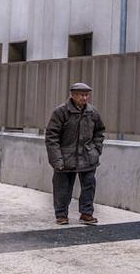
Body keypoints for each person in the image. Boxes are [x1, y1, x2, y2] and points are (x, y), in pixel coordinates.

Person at [45, 82, 106, 225]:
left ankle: (86, 214)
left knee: (89, 186)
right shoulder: (60, 112)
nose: (84, 98)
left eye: (87, 95)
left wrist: (96, 150)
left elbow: (99, 132)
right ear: (72, 95)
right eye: (81, 95)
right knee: (62, 188)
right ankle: (61, 215)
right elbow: (51, 137)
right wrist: (57, 160)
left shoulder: (92, 112)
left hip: (88, 156)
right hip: (66, 157)